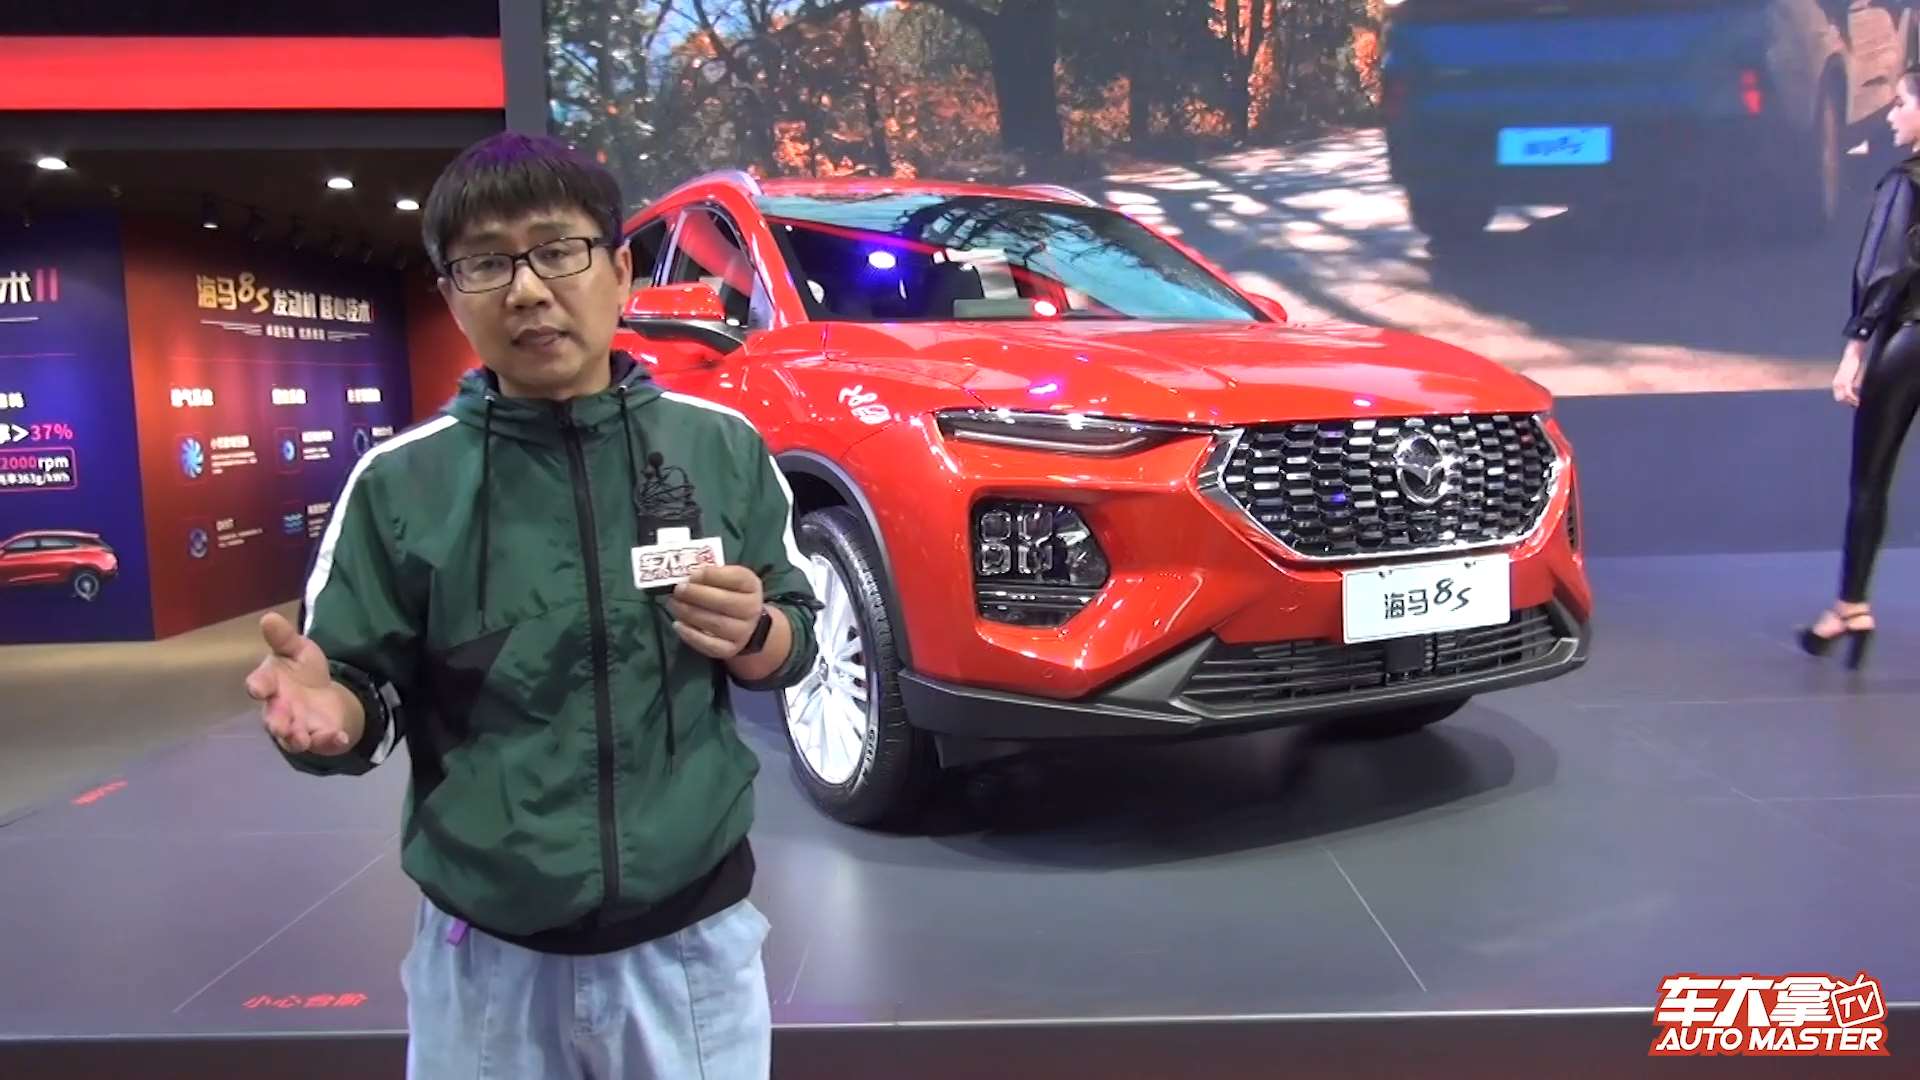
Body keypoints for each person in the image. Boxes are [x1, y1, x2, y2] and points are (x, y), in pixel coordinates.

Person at [244, 131, 820, 1078]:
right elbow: (355, 694)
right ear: (451, 295)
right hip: (485, 961)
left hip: (690, 946)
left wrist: (760, 631)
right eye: (486, 263)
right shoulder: (400, 484)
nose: (526, 289)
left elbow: (796, 634)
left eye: (558, 250)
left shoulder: (721, 446)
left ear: (620, 272)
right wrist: (330, 712)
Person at [1802, 70, 1920, 669]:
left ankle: (1851, 606)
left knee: (1870, 480)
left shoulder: (1905, 182)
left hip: (1911, 341)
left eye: (1900, 103)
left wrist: (1854, 351)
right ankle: (1850, 608)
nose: (1891, 114)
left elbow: (1883, 269)